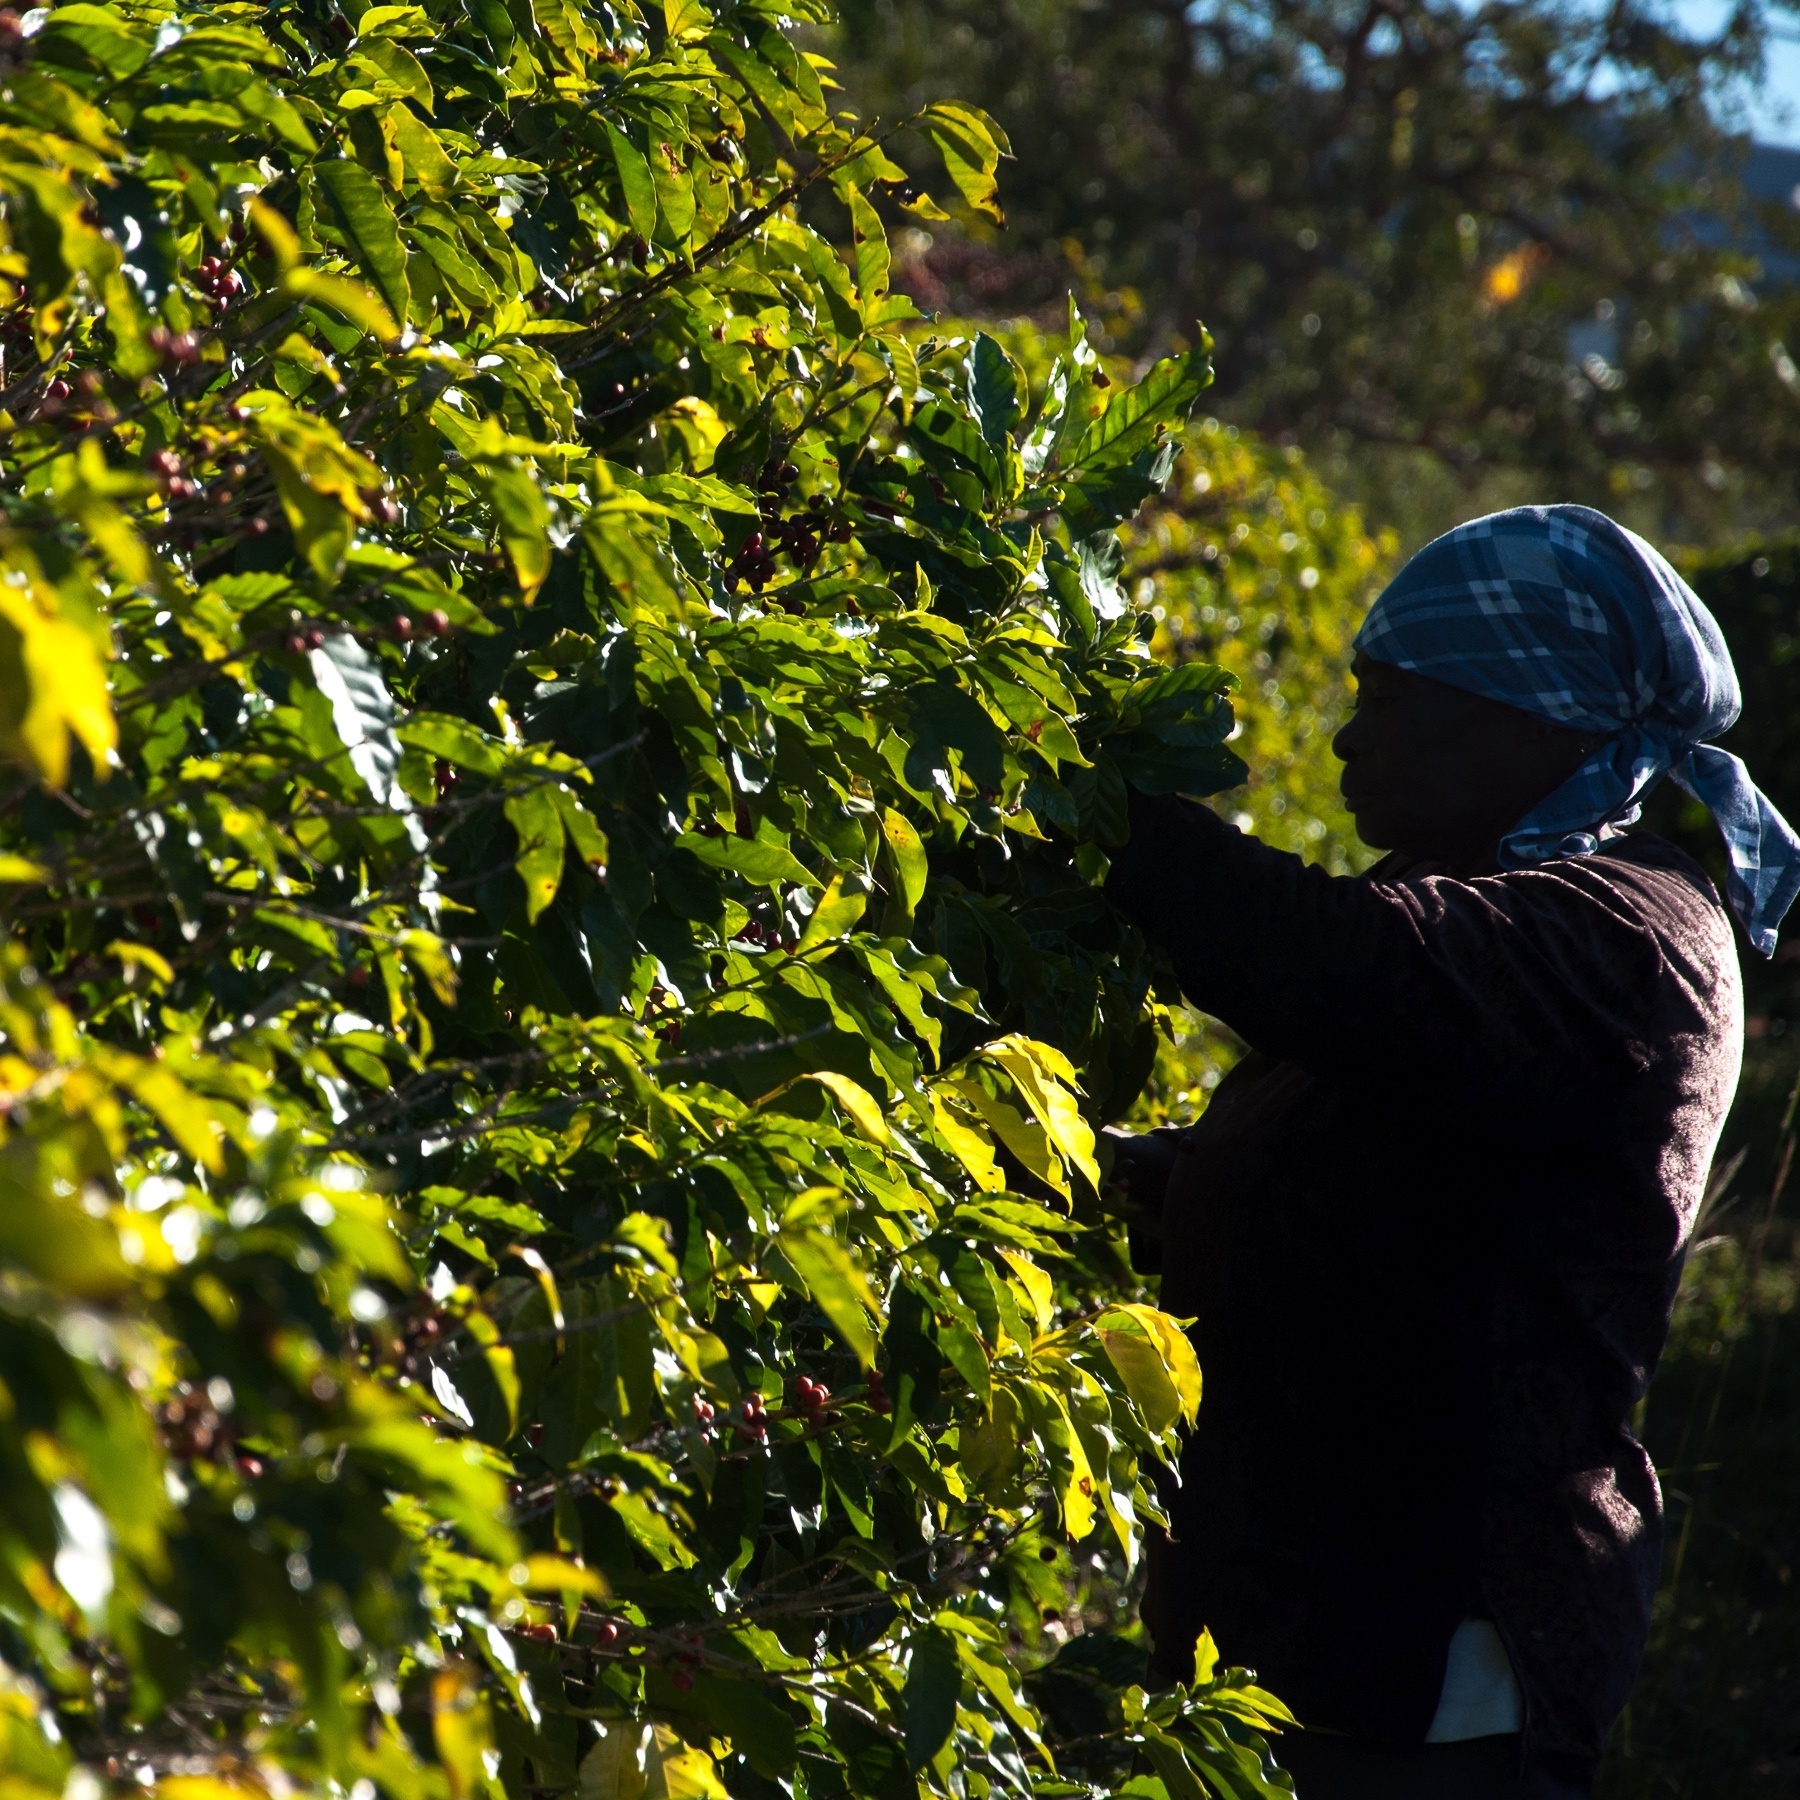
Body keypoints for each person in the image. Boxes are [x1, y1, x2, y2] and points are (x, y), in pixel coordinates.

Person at [1101, 505, 1800, 1799]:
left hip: (1430, 1676)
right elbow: (1376, 1162)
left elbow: (1342, 970)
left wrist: (1092, 806)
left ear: (1526, 720)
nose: (1346, 737)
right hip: (1306, 1638)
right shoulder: (1497, 895)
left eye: (1389, 701)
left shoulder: (1620, 937)